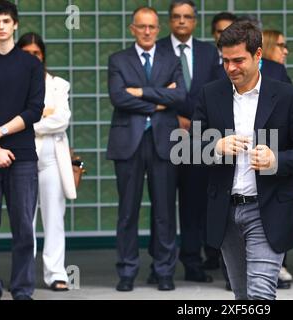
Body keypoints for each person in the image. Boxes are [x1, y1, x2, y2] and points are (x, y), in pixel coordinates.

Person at [191, 21, 293, 300]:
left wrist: (277, 159)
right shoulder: (210, 94)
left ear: (258, 55)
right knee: (242, 296)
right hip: (225, 211)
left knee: (261, 295)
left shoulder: (287, 96)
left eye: (238, 60)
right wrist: (215, 145)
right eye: (225, 61)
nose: (231, 68)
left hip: (268, 208)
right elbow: (188, 149)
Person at [107, 6, 186, 292]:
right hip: (128, 143)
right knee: (128, 212)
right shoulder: (118, 59)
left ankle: (164, 271)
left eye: (152, 26)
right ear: (133, 29)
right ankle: (127, 271)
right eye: (142, 27)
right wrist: (158, 102)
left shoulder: (171, 58)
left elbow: (180, 95)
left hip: (163, 142)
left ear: (158, 28)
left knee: (165, 211)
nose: (148, 31)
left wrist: (139, 92)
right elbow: (118, 97)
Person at [156, 0, 219, 283]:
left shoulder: (209, 51)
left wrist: (194, 122)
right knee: (162, 204)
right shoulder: (157, 49)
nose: (182, 21)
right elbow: (153, 91)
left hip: (199, 137)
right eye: (177, 17)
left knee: (194, 203)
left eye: (187, 17)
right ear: (170, 21)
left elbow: (216, 91)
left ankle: (193, 264)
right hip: (165, 135)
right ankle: (160, 266)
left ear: (194, 21)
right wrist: (174, 117)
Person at [17, 32, 76, 292]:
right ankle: (24, 275)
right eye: (27, 53)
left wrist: (28, 120)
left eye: (36, 54)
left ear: (43, 57)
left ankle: (56, 274)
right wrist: (41, 115)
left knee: (54, 217)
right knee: (24, 218)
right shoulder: (11, 82)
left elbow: (61, 119)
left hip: (52, 155)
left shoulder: (58, 84)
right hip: (22, 154)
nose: (32, 58)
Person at [0, 0, 45, 300]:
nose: (0, 26)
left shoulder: (31, 64)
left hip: (23, 156)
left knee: (24, 228)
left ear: (15, 24)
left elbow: (34, 110)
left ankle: (22, 289)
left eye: (5, 20)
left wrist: (1, 133)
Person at [261, 28, 293, 288]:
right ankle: (275, 268)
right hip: (268, 152)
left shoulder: (278, 73)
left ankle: (275, 267)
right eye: (281, 45)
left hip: (272, 152)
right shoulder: (276, 71)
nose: (285, 50)